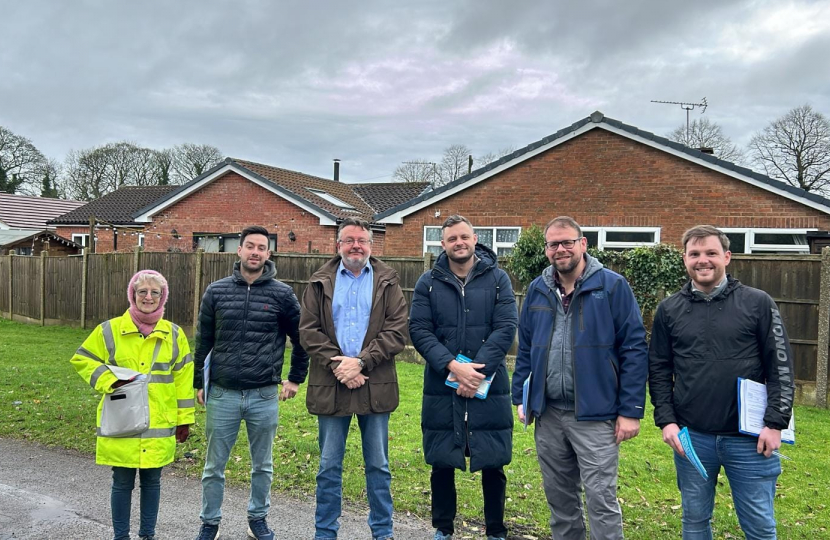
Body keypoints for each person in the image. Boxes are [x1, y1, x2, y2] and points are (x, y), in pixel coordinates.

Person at [649, 225, 795, 539]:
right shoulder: (669, 310)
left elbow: (781, 366)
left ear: (726, 256)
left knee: (759, 527)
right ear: (684, 259)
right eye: (695, 254)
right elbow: (659, 369)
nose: (703, 260)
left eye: (711, 253)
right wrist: (667, 422)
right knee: (695, 522)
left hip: (749, 439)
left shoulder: (758, 303)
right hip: (692, 439)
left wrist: (775, 423)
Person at [511, 216, 648, 540]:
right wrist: (521, 397)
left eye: (567, 242)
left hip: (595, 415)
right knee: (560, 502)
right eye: (554, 244)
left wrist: (630, 411)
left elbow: (634, 349)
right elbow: (527, 347)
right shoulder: (537, 289)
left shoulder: (612, 286)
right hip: (549, 415)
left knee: (601, 501)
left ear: (583, 244)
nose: (561, 249)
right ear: (546, 250)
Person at [192, 225, 309, 540]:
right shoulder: (216, 291)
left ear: (268, 254)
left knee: (263, 466)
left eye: (261, 248)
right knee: (213, 467)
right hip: (223, 394)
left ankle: (257, 519)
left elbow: (302, 341)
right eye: (250, 246)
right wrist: (197, 383)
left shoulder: (282, 294)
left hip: (263, 394)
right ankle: (209, 523)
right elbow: (203, 340)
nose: (255, 252)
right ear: (239, 250)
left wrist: (296, 378)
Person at [409, 214, 517, 540]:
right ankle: (443, 529)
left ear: (474, 239)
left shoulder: (499, 279)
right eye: (452, 238)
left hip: (489, 382)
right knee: (442, 460)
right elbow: (419, 329)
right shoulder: (427, 282)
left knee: (493, 461)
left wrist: (476, 373)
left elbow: (506, 326)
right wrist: (454, 367)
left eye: (464, 237)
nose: (459, 243)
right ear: (443, 244)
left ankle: (496, 530)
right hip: (443, 384)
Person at [299, 217, 408, 540]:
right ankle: (325, 533)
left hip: (375, 384)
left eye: (361, 240)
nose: (355, 246)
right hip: (331, 385)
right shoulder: (319, 281)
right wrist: (340, 367)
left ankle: (382, 532)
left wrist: (360, 363)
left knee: (378, 467)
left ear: (371, 246)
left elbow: (397, 331)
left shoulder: (388, 281)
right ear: (338, 246)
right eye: (349, 240)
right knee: (329, 467)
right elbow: (308, 331)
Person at [70, 269, 194, 540]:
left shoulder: (174, 334)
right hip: (122, 418)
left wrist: (185, 418)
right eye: (142, 292)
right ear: (132, 295)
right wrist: (108, 380)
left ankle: (147, 535)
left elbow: (184, 379)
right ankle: (121, 536)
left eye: (155, 293)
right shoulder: (110, 330)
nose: (148, 297)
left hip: (159, 422)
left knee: (152, 483)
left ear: (163, 298)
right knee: (122, 482)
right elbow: (82, 359)